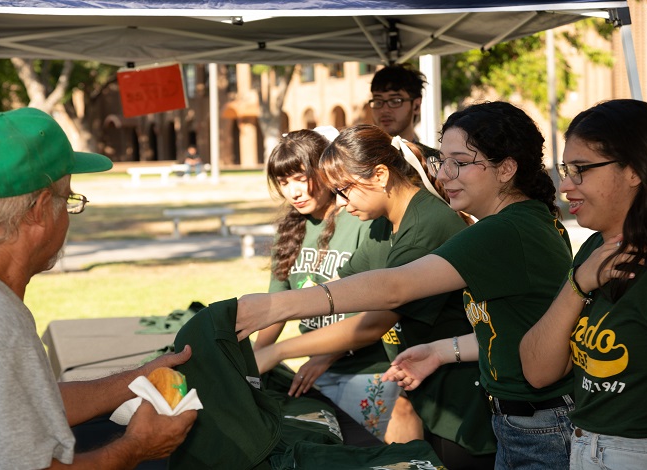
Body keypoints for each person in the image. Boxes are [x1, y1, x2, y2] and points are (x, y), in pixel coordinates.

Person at [236, 101, 576, 470]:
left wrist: (278, 309)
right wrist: (442, 351)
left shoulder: (503, 229)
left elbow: (395, 288)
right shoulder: (516, 222)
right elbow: (515, 328)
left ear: (506, 168)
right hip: (518, 417)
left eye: (459, 162)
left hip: (537, 423)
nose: (443, 175)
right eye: (442, 161)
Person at [0, 107, 198, 469]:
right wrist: (138, 446)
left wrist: (137, 378)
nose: (68, 216)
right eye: (67, 200)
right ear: (37, 210)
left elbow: (16, 405)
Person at [254, 123, 496, 469]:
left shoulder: (425, 227)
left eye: (345, 189)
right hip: (430, 390)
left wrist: (278, 349)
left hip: (463, 400)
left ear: (380, 175)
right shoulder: (386, 223)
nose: (341, 202)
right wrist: (272, 308)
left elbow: (376, 320)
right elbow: (345, 285)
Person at [519, 99, 647, 469]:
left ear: (635, 170)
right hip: (584, 448)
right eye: (566, 169)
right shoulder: (595, 250)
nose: (565, 185)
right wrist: (578, 283)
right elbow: (537, 370)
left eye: (581, 170)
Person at [254, 127, 401, 439]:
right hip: (315, 370)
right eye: (283, 182)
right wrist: (254, 361)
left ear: (324, 170)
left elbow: (377, 310)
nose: (293, 191)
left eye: (299, 177)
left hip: (367, 371)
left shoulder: (362, 218)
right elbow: (276, 304)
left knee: (371, 454)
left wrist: (325, 356)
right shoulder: (290, 230)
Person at [369, 62, 436, 443]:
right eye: (377, 101)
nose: (384, 109)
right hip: (384, 304)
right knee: (399, 399)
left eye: (395, 100)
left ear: (416, 104)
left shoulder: (433, 162)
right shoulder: (369, 163)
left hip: (428, 300)